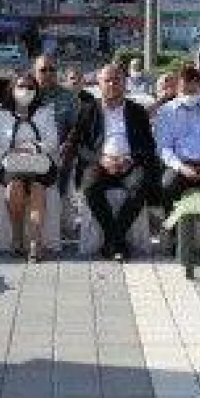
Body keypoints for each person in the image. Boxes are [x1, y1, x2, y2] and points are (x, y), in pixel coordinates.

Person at [70, 64, 159, 259]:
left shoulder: (137, 111)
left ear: (124, 83)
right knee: (90, 187)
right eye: (107, 81)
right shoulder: (88, 110)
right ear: (99, 84)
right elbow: (79, 146)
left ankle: (113, 241)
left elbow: (148, 145)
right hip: (99, 164)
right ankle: (117, 240)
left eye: (116, 80)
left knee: (141, 185)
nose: (112, 84)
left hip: (129, 164)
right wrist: (101, 159)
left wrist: (129, 159)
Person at [0, 70, 60, 260]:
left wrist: (33, 147)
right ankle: (18, 236)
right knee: (14, 187)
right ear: (12, 89)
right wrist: (11, 151)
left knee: (37, 187)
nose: (25, 91)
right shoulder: (0, 114)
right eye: (21, 86)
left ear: (36, 90)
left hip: (39, 163)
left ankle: (35, 241)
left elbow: (53, 141)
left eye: (30, 87)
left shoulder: (45, 112)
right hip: (11, 164)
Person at [155, 66, 200, 213]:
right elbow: (163, 148)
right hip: (179, 165)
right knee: (166, 185)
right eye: (185, 91)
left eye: (193, 91)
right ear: (177, 89)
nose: (189, 95)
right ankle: (172, 232)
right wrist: (181, 167)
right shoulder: (165, 112)